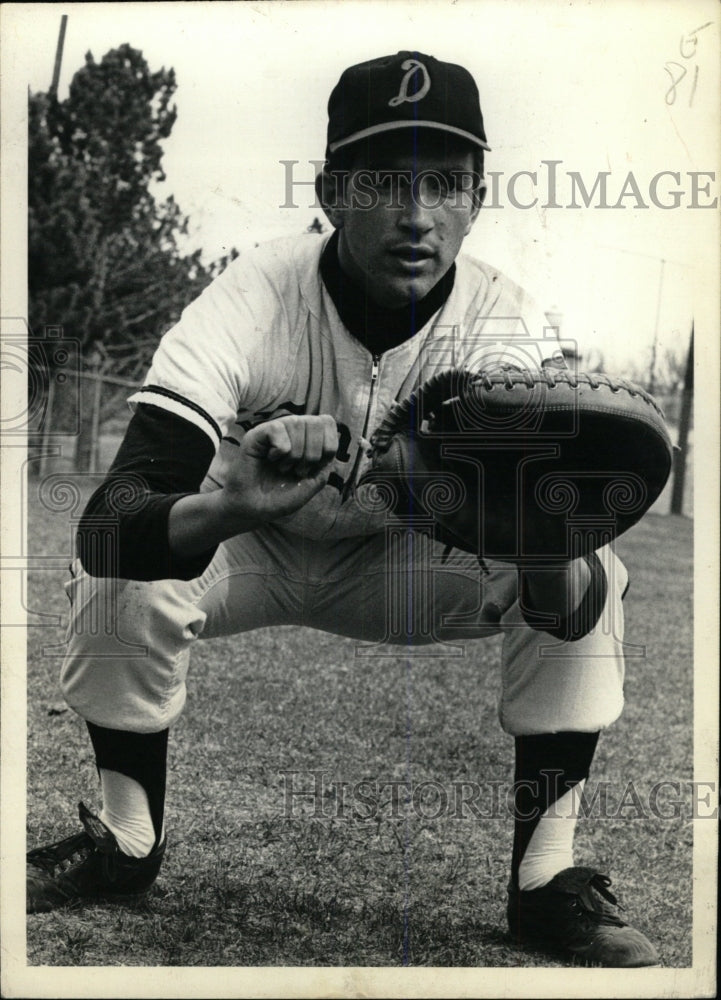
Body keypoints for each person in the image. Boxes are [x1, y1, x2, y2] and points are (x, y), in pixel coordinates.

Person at [27, 51, 659, 968]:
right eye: (382, 182)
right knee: (120, 564)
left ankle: (545, 881)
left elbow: (564, 606)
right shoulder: (253, 295)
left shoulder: (507, 331)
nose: (415, 214)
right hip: (258, 547)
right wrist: (229, 506)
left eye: (443, 184)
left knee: (591, 567)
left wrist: (541, 538)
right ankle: (125, 842)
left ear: (476, 199)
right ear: (328, 189)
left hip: (406, 566)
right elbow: (110, 517)